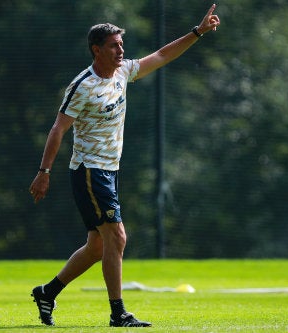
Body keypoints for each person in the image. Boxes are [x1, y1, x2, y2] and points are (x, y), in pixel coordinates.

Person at [29, 4, 220, 328]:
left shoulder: (122, 72)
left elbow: (160, 56)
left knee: (98, 246)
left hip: (108, 171)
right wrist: (44, 172)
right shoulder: (82, 86)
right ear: (96, 50)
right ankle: (118, 313)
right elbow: (58, 129)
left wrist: (197, 32)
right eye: (114, 45)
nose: (121, 50)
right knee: (117, 237)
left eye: (121, 45)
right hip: (90, 170)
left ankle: (48, 292)